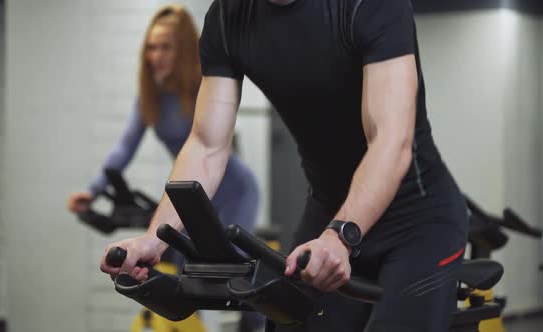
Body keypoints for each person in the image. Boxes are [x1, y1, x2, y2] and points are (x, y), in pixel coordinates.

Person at [100, 1, 469, 331]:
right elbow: (207, 144)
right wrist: (155, 238)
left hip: (419, 224)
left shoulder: (367, 6)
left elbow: (391, 140)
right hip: (326, 216)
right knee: (288, 322)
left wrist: (340, 235)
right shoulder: (229, 17)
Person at [67, 5, 261, 330]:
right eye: (151, 47)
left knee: (237, 277)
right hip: (190, 194)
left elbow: (213, 146)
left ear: (183, 49)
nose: (156, 55)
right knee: (185, 278)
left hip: (234, 188)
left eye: (165, 46)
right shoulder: (151, 96)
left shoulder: (203, 88)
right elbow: (124, 147)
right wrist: (93, 190)